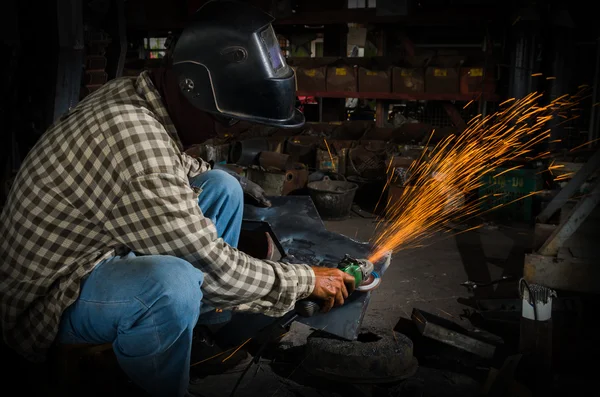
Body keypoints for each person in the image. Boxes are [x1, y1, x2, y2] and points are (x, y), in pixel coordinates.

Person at [0, 1, 355, 396]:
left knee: (222, 184)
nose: (224, 136)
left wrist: (223, 176)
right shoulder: (135, 145)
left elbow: (174, 165)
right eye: (226, 121)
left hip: (95, 247)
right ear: (192, 90)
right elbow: (213, 266)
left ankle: (197, 331)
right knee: (173, 284)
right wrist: (303, 280)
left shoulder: (138, 95)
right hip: (50, 296)